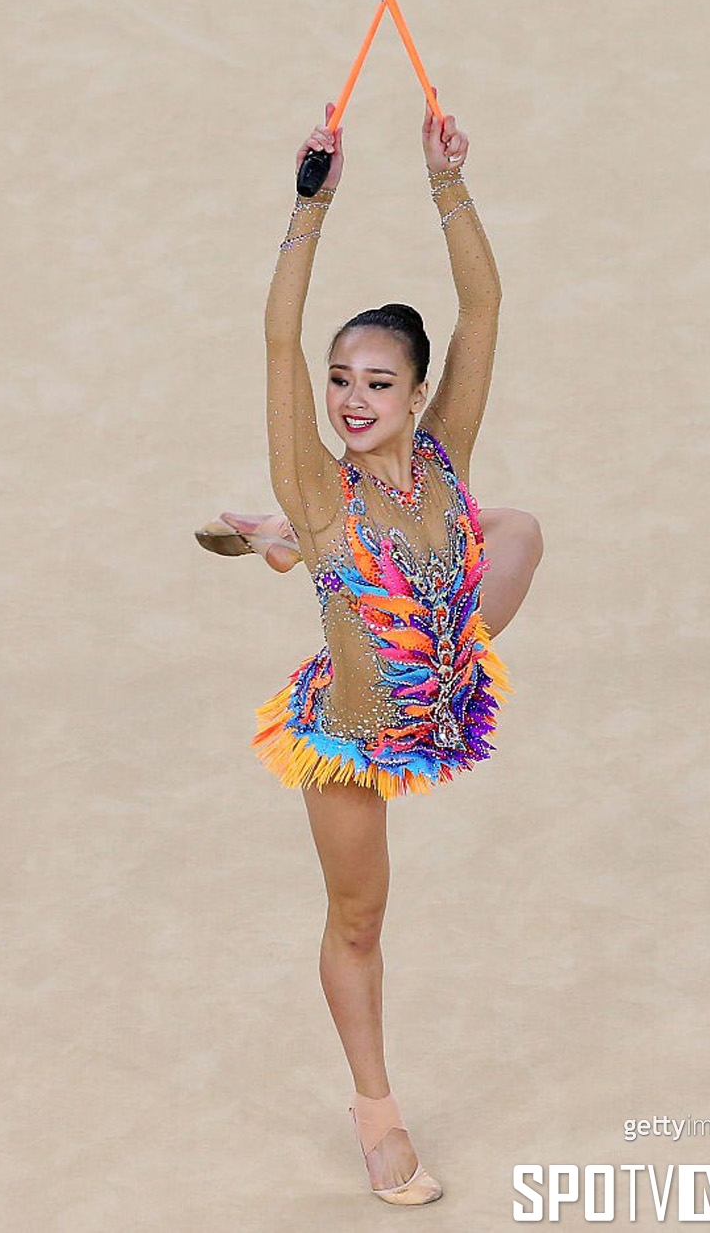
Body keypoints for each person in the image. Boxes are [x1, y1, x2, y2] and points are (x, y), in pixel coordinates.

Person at [208, 99, 542, 1205]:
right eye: (344, 379)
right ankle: (378, 1111)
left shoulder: (445, 457)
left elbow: (484, 305)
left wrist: (448, 181)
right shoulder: (320, 479)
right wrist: (312, 206)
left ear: (415, 391)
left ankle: (298, 560)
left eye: (377, 381)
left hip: (434, 671)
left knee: (522, 528)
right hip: (356, 725)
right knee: (360, 915)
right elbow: (276, 344)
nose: (352, 398)